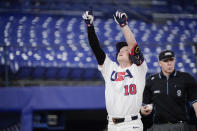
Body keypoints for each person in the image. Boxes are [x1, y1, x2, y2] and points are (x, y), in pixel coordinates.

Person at [82, 10, 147, 131]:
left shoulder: (138, 69)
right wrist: (90, 27)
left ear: (132, 56)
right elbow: (96, 49)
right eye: (120, 50)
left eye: (125, 50)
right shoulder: (110, 68)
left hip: (131, 124)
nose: (121, 51)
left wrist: (124, 25)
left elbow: (134, 47)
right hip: (112, 125)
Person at [141, 50, 197, 131]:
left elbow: (195, 102)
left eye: (171, 60)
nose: (169, 63)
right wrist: (145, 109)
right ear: (160, 63)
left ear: (174, 61)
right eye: (165, 61)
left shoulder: (186, 78)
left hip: (181, 126)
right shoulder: (151, 80)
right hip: (158, 126)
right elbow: (146, 104)